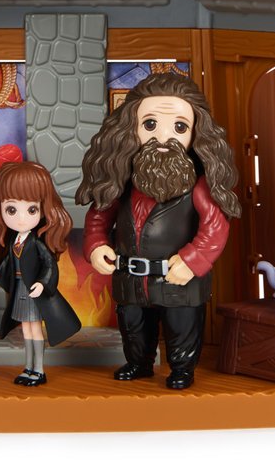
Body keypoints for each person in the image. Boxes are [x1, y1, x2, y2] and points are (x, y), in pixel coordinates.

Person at [75, 72, 241, 390]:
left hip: (178, 277)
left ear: (196, 133)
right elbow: (99, 214)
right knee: (133, 324)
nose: (163, 137)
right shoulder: (122, 178)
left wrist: (193, 260)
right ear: (131, 127)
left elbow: (215, 226)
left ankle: (182, 369)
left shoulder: (200, 185)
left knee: (182, 325)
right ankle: (139, 363)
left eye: (179, 127)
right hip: (131, 278)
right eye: (150, 124)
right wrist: (95, 244)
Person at [0, 161, 81, 386]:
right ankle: (28, 367)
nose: (21, 218)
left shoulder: (37, 243)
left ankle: (39, 370)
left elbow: (50, 265)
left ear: (43, 210)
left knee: (35, 329)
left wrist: (43, 283)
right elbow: (7, 263)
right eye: (11, 210)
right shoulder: (14, 241)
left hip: (33, 291)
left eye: (31, 210)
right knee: (26, 329)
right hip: (19, 290)